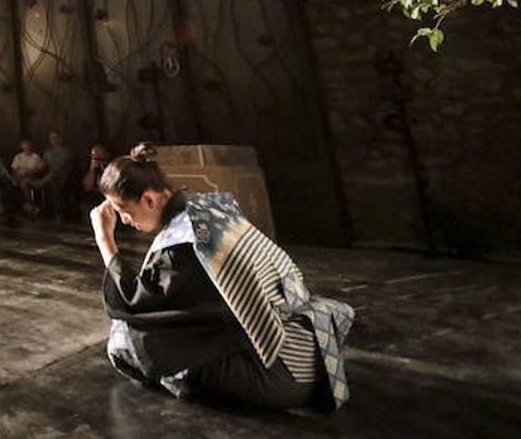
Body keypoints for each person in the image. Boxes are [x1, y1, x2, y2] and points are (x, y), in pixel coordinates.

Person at [91, 144, 352, 411]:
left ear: (149, 199)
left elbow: (137, 303)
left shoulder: (183, 246)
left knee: (124, 341)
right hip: (312, 350)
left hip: (281, 373)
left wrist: (105, 240)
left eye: (123, 209)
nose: (123, 220)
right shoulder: (207, 207)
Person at [40, 131, 78, 221]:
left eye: (56, 138)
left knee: (54, 181)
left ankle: (59, 214)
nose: (53, 140)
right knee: (52, 181)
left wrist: (47, 177)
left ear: (61, 139)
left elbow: (63, 167)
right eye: (51, 138)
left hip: (65, 175)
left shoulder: (67, 151)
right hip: (51, 176)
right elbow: (42, 165)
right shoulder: (48, 152)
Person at [10, 138, 47, 215]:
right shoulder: (18, 156)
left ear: (31, 145)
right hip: (19, 177)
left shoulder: (36, 157)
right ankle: (28, 205)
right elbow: (14, 169)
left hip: (32, 177)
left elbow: (39, 169)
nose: (26, 146)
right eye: (24, 144)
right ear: (21, 146)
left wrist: (29, 171)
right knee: (16, 183)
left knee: (24, 183)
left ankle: (29, 205)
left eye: (28, 144)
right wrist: (17, 175)